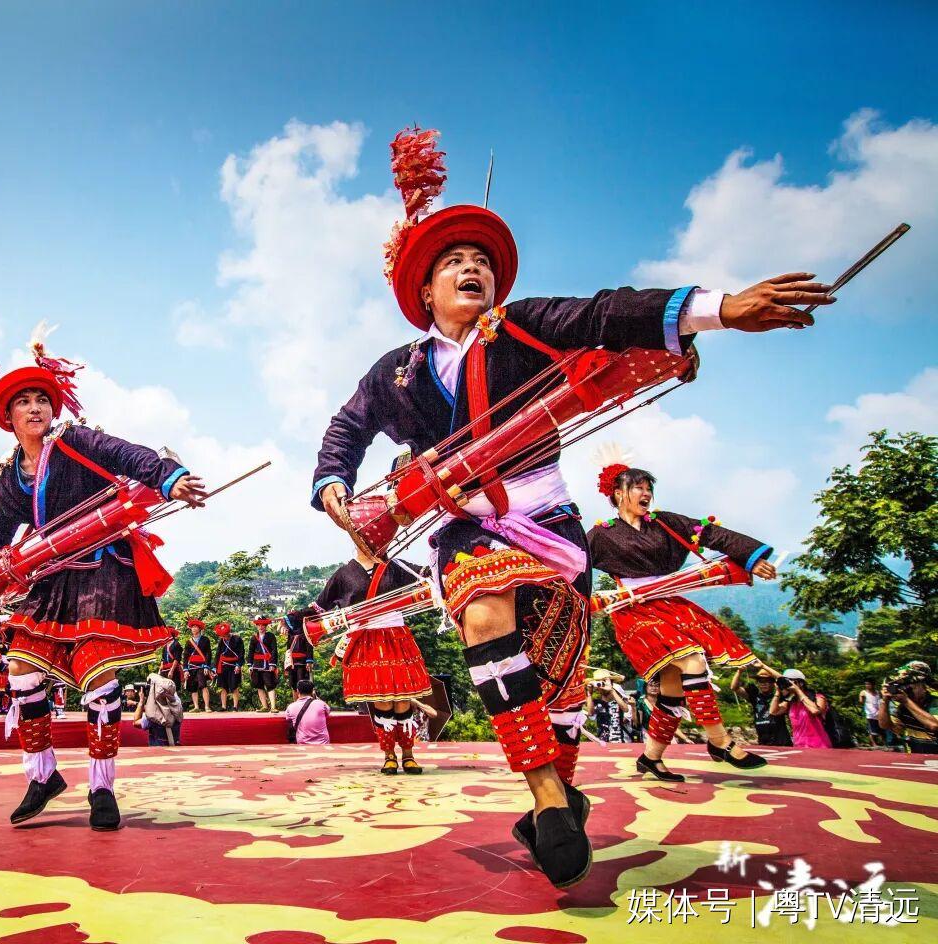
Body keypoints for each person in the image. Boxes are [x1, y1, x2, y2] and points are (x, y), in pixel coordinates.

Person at [310, 127, 829, 888]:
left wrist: (721, 309)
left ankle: (559, 786)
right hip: (465, 527)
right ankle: (549, 800)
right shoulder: (396, 372)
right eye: (454, 261)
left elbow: (605, 313)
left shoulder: (524, 327)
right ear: (424, 291)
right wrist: (332, 481)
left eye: (482, 260)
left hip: (551, 524)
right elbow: (346, 429)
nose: (472, 268)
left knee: (563, 695)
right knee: (484, 609)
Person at [0, 320, 207, 830]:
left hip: (102, 569)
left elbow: (127, 454)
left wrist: (167, 479)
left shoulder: (74, 441)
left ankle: (102, 787)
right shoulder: (10, 473)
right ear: (8, 417)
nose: (35, 408)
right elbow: (0, 529)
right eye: (23, 402)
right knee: (21, 671)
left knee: (97, 673)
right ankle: (42, 775)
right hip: (50, 575)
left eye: (42, 398)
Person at [588, 460, 775, 781]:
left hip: (669, 602)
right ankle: (720, 741)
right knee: (692, 660)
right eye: (638, 488)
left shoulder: (666, 523)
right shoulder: (601, 535)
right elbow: (571, 560)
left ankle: (651, 757)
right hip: (632, 609)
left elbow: (711, 534)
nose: (646, 494)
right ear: (618, 494)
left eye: (649, 488)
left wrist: (750, 558)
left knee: (673, 687)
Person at [312, 550, 433, 774]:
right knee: (382, 701)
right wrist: (292, 621)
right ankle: (389, 755)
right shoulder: (344, 574)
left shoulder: (396, 566)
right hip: (367, 640)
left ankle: (408, 754)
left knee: (403, 700)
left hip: (396, 636)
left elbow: (427, 575)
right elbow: (319, 606)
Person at [879, 662, 938, 754]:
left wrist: (906, 701)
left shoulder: (934, 701)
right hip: (917, 757)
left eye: (909, 684)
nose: (906, 688)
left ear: (923, 685)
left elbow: (934, 725)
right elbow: (886, 726)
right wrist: (885, 701)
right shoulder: (904, 708)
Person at [730, 665, 793, 747]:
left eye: (767, 681)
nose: (764, 684)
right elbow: (734, 687)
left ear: (773, 683)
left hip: (781, 740)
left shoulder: (780, 696)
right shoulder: (755, 696)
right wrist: (739, 671)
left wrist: (763, 666)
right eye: (761, 681)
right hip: (763, 740)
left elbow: (787, 684)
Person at [769, 669, 831, 748]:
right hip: (799, 746)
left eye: (789, 681)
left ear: (801, 683)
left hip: (819, 746)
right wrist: (778, 692)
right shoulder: (791, 701)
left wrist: (797, 691)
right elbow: (773, 712)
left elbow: (815, 710)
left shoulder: (818, 697)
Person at [132, 672, 184, 746]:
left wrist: (141, 701)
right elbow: (169, 693)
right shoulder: (178, 708)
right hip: (174, 748)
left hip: (158, 751)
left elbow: (136, 722)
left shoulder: (154, 715)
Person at [585, 671, 635, 744]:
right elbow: (590, 714)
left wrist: (611, 689)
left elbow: (626, 709)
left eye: (604, 682)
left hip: (622, 743)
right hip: (603, 743)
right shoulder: (598, 703)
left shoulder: (623, 701)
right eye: (598, 684)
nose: (601, 687)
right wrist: (589, 694)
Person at [247, 617, 280, 713]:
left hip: (268, 665)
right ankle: (264, 706)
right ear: (257, 626)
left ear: (266, 626)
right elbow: (250, 652)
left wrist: (273, 664)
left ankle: (273, 707)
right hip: (256, 665)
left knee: (270, 685)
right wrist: (250, 665)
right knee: (259, 685)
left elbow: (274, 650)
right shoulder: (254, 637)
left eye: (263, 625)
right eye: (259, 625)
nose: (261, 627)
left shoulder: (271, 636)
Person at [285, 679, 331, 745]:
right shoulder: (321, 704)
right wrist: (316, 698)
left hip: (303, 744)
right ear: (312, 691)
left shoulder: (291, 707)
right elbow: (328, 711)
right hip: (323, 744)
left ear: (297, 691)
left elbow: (288, 719)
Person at [181, 619, 214, 712]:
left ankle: (207, 706)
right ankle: (196, 707)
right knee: (193, 687)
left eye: (196, 627)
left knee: (203, 685)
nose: (194, 629)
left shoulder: (205, 640)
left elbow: (208, 654)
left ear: (199, 629)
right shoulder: (189, 642)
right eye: (192, 627)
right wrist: (185, 669)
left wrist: (207, 666)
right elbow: (186, 656)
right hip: (191, 666)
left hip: (202, 666)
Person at [214, 621, 244, 711]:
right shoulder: (221, 641)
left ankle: (235, 706)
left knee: (234, 686)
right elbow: (218, 654)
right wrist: (215, 667)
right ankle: (223, 706)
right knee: (223, 687)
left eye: (225, 635)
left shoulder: (237, 639)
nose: (224, 637)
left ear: (228, 632)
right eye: (222, 636)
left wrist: (238, 665)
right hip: (223, 665)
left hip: (234, 665)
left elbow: (241, 653)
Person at [282, 610, 315, 692]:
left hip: (302, 663)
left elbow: (309, 646)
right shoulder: (290, 633)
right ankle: (295, 699)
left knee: (302, 684)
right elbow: (288, 649)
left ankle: (303, 699)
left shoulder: (305, 632)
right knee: (293, 685)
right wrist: (287, 663)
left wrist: (309, 660)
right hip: (292, 663)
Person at [859, 680, 886, 748]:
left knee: (882, 729)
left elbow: (882, 700)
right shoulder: (863, 692)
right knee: (872, 730)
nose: (867, 686)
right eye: (866, 684)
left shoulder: (878, 692)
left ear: (873, 685)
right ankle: (874, 744)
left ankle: (884, 743)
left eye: (869, 684)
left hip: (879, 713)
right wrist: (862, 697)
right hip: (870, 714)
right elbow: (861, 702)